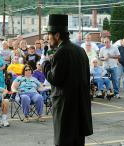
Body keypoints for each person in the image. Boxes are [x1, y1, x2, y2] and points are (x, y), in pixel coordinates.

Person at [42, 14, 93, 146]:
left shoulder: (61, 51)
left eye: (49, 35)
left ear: (57, 35)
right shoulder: (80, 50)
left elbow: (55, 79)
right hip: (79, 104)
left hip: (65, 107)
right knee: (77, 141)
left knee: (63, 140)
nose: (48, 39)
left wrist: (46, 64)